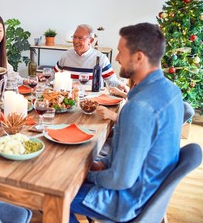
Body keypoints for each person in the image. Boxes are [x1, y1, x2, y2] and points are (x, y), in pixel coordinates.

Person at [69, 23, 184, 222]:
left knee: (55, 194)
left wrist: (87, 175)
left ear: (139, 57)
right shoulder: (172, 91)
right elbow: (135, 154)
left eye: (121, 52)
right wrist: (102, 164)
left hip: (128, 200)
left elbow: (120, 179)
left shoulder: (139, 108)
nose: (118, 58)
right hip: (149, 189)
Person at [54, 24, 127, 91]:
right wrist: (44, 76)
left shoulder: (101, 58)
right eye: (74, 37)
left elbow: (112, 81)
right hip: (68, 97)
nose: (76, 41)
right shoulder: (66, 56)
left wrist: (120, 85)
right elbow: (53, 75)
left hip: (92, 99)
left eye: (80, 38)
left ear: (91, 41)